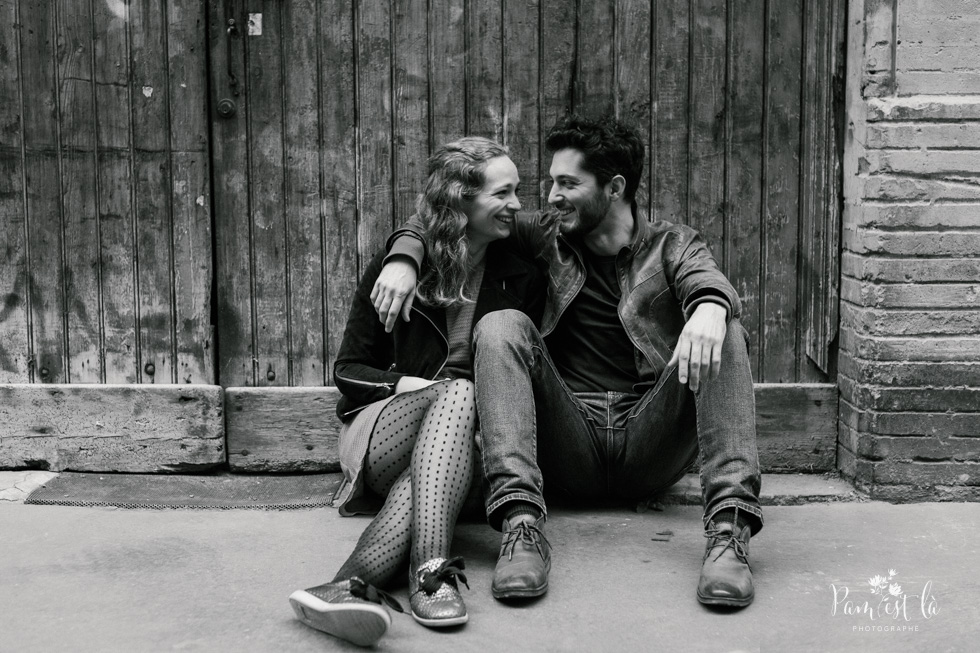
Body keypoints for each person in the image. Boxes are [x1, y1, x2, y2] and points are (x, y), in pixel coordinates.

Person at [375, 115, 763, 609]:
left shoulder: (674, 244)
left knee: (726, 329)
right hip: (568, 438)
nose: (552, 195)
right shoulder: (547, 235)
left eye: (567, 183)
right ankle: (520, 526)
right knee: (500, 326)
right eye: (551, 182)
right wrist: (404, 256)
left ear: (615, 187)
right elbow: (453, 211)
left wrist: (709, 306)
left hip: (650, 437)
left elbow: (706, 278)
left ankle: (729, 534)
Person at [288, 137, 546, 647]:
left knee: (460, 406)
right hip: (384, 428)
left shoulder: (522, 275)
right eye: (503, 193)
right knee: (459, 392)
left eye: (518, 191)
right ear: (461, 201)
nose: (517, 205)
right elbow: (348, 371)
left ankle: (348, 584)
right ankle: (431, 571)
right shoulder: (399, 270)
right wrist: (413, 385)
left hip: (465, 455)